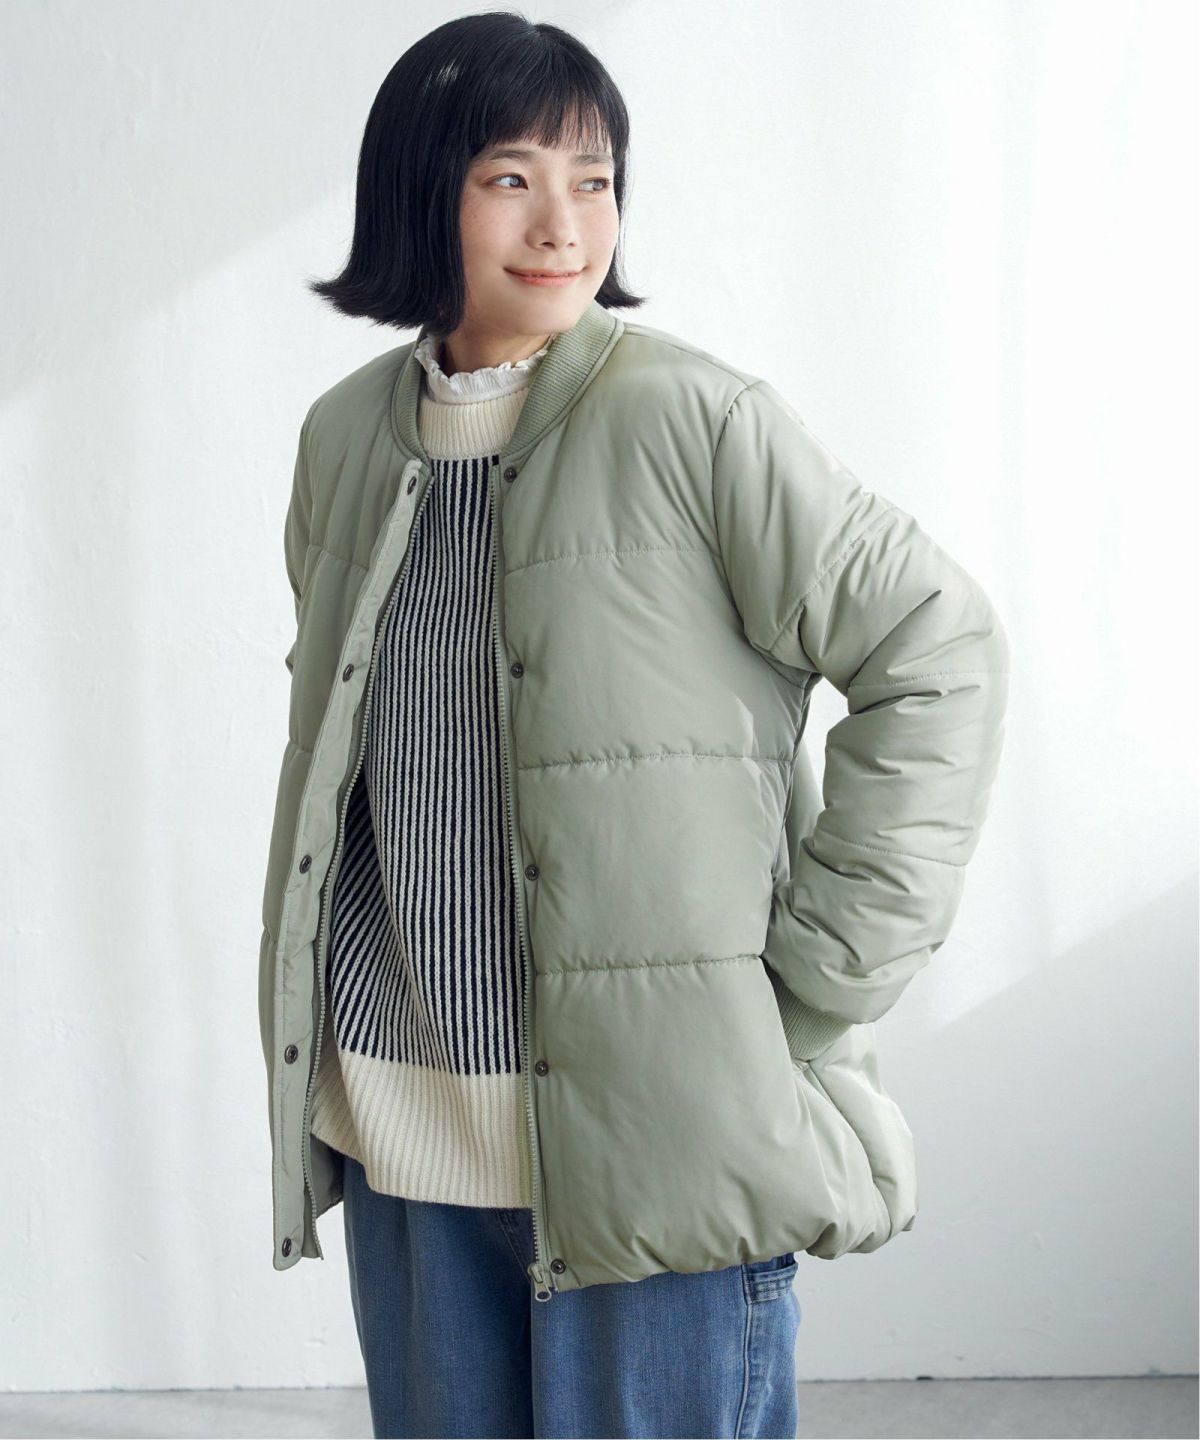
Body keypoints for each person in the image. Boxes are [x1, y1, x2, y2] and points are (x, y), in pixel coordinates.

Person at [257, 11, 1010, 1439]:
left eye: (594, 179)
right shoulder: (343, 438)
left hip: (660, 1127)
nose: (565, 224)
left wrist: (817, 983)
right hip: (401, 1120)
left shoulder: (694, 418)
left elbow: (941, 648)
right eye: (511, 177)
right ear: (420, 191)